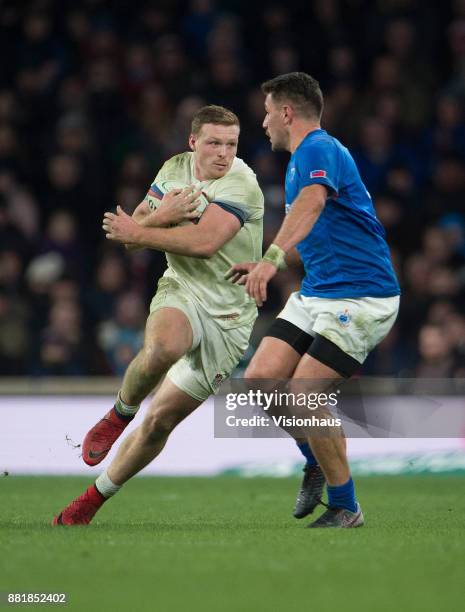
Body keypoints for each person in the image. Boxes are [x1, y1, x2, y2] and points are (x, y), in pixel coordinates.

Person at [53, 105, 264, 525]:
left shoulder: (243, 183)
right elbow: (136, 231)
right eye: (213, 143)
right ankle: (118, 413)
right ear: (193, 143)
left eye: (231, 144)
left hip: (231, 318)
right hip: (183, 288)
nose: (223, 153)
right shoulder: (173, 169)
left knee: (160, 424)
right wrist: (160, 218)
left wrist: (144, 228)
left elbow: (203, 242)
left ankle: (90, 502)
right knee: (164, 346)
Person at [228, 73, 400, 528]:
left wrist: (270, 260)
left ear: (287, 113)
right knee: (261, 379)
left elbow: (312, 205)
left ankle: (346, 506)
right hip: (319, 292)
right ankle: (316, 460)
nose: (263, 122)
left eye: (267, 112)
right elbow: (316, 224)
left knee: (304, 395)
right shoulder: (302, 158)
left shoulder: (319, 149)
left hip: (363, 296)